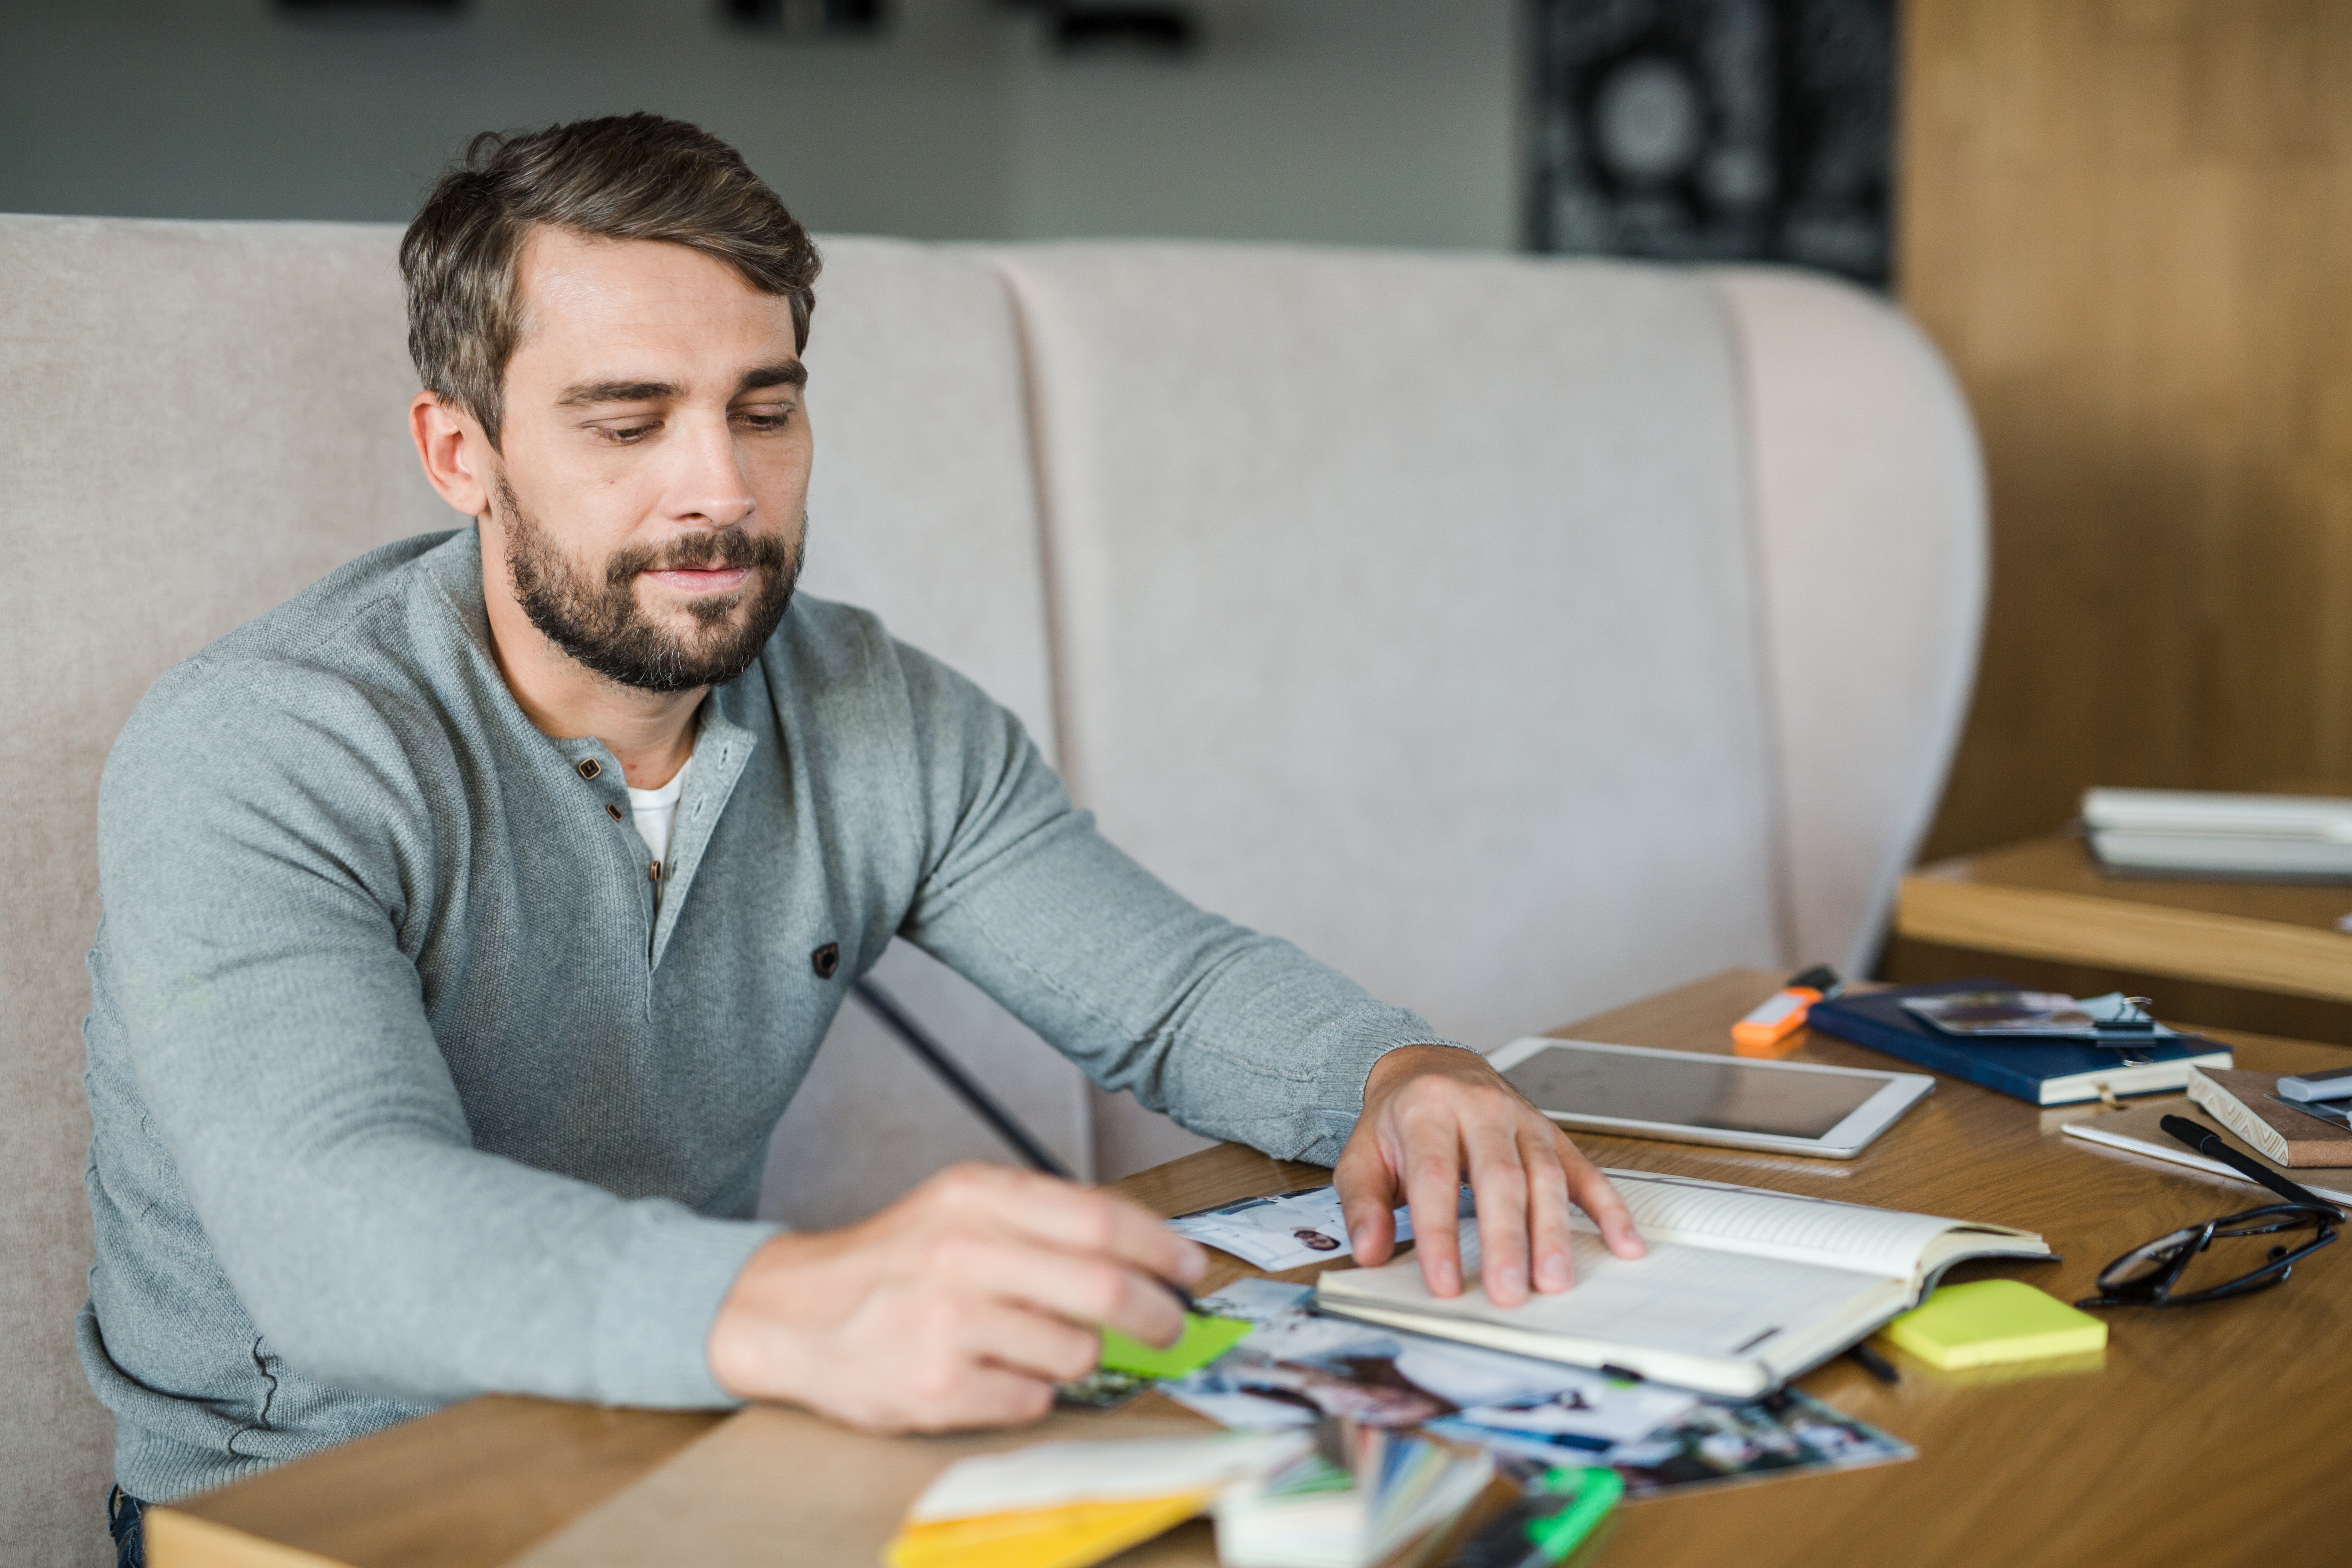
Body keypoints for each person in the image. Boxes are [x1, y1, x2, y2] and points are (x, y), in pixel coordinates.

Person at [78, 113, 1644, 1544]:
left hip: (690, 1435)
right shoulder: (266, 748)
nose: (722, 492)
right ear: (460, 453)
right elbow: (328, 1224)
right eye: (628, 425)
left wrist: (1397, 1073)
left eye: (763, 412)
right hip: (312, 1511)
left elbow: (1172, 995)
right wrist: (804, 1298)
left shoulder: (875, 710)